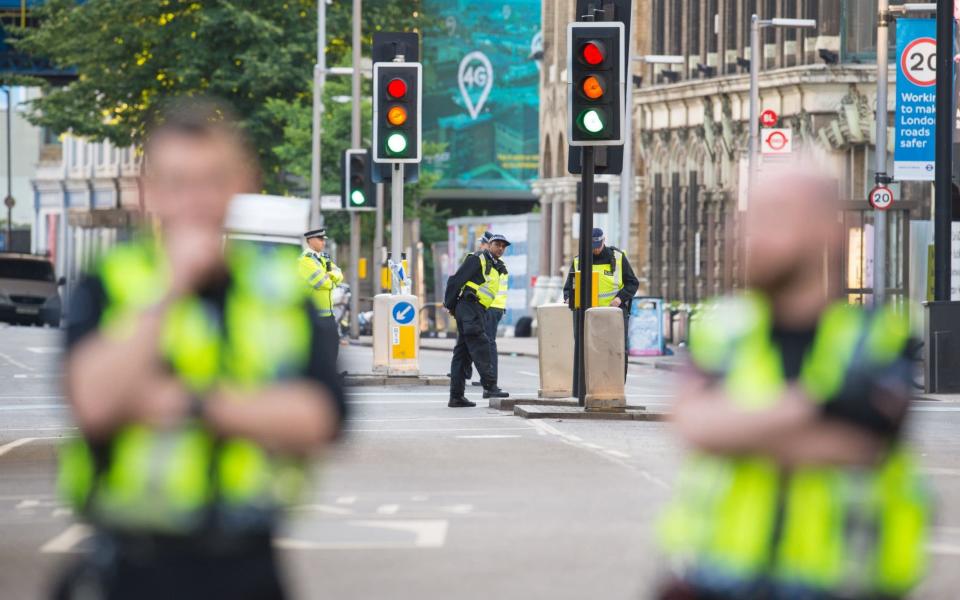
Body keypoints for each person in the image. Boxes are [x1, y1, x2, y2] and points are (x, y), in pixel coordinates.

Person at [54, 98, 347, 600]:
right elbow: (94, 403)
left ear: (241, 184)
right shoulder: (110, 281)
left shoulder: (277, 289)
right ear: (149, 193)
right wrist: (170, 287)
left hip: (248, 560)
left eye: (212, 180)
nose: (195, 199)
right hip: (133, 561)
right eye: (177, 182)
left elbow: (322, 418)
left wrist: (189, 404)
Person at [657, 168, 929, 600]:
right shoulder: (727, 327)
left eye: (775, 217)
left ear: (827, 232)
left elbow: (863, 444)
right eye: (747, 218)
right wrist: (823, 400)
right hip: (715, 580)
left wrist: (739, 427)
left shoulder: (878, 336)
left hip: (839, 584)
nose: (749, 235)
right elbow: (695, 426)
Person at [562, 227, 639, 390]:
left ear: (604, 240)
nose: (595, 249)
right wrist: (570, 298)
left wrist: (619, 298)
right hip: (589, 316)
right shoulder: (579, 261)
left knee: (616, 352)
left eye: (598, 244)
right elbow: (569, 288)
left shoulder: (617, 258)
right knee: (589, 352)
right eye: (592, 245)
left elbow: (632, 282)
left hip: (614, 314)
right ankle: (590, 387)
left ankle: (616, 387)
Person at [444, 235, 511, 407]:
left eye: (503, 246)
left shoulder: (497, 266)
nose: (500, 248)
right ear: (489, 245)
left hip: (477, 310)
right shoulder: (478, 259)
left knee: (463, 354)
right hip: (469, 307)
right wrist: (450, 305)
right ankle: (490, 386)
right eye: (497, 245)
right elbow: (455, 281)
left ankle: (456, 397)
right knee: (481, 344)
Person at [299, 228, 344, 363]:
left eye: (323, 239)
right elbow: (321, 283)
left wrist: (330, 277)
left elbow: (339, 274)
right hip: (315, 314)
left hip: (328, 314)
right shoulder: (305, 261)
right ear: (310, 241)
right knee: (319, 349)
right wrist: (332, 280)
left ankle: (331, 374)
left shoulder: (323, 258)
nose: (323, 242)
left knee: (332, 345)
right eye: (320, 239)